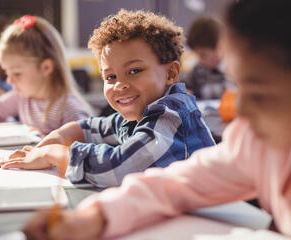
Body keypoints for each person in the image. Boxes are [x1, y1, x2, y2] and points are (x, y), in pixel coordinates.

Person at [22, 0, 291, 239]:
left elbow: (125, 167)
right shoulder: (254, 142)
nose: (239, 113)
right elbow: (174, 185)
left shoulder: (171, 113)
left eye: (259, 93)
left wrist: (62, 154)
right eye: (238, 85)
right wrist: (97, 217)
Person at [0, 9, 215, 188]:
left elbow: (118, 169)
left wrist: (56, 153)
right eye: (110, 77)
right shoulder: (138, 112)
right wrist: (62, 134)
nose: (119, 85)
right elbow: (96, 127)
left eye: (134, 71)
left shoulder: (171, 116)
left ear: (170, 74)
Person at [0, 15, 91, 134]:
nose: (9, 81)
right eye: (7, 73)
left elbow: (83, 149)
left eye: (17, 74)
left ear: (46, 67)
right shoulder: (23, 97)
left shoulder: (70, 110)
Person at [182, 17, 227, 99]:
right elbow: (184, 82)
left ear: (220, 47)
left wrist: (196, 93)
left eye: (203, 55)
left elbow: (227, 90)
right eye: (197, 55)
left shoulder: (230, 69)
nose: (200, 60)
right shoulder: (200, 68)